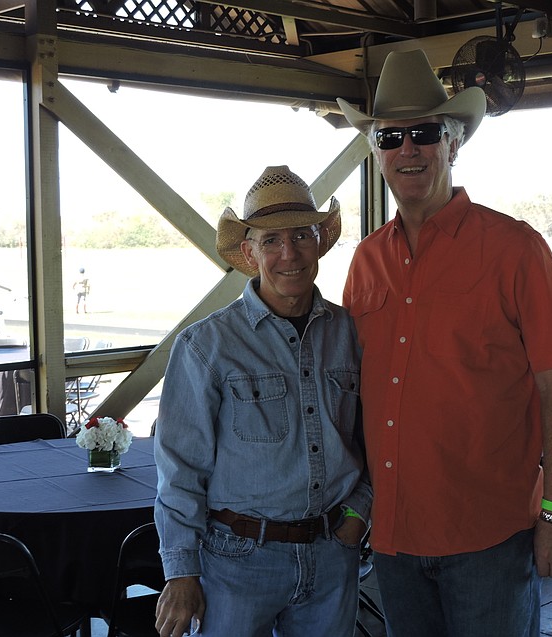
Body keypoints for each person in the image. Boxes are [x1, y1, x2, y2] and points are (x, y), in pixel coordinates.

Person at [336, 49, 552, 636]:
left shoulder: (515, 248)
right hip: (396, 537)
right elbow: (353, 395)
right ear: (376, 153)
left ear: (453, 143)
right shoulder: (366, 260)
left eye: (424, 133)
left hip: (489, 538)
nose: (407, 149)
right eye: (390, 136)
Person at [153, 166, 371, 637]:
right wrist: (181, 571)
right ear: (249, 252)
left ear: (320, 244)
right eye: (271, 240)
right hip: (236, 562)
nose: (288, 253)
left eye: (301, 236)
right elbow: (180, 468)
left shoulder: (351, 334)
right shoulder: (205, 346)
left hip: (333, 554)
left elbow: (378, 437)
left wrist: (360, 509)